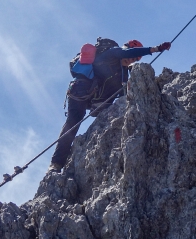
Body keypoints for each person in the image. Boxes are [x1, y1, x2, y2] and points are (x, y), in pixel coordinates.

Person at [49, 39, 172, 172]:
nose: (132, 60)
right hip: (80, 91)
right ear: (126, 50)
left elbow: (124, 94)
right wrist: (156, 48)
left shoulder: (124, 73)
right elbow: (128, 53)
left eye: (136, 59)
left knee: (114, 110)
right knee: (73, 123)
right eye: (131, 56)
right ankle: (56, 163)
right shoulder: (112, 53)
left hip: (96, 99)